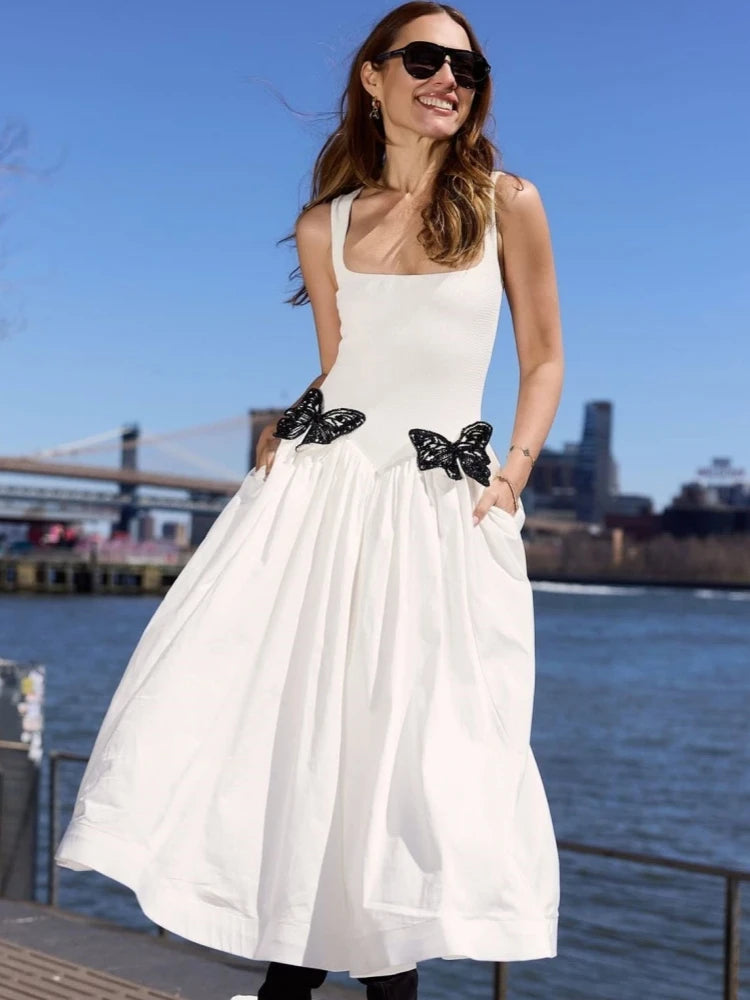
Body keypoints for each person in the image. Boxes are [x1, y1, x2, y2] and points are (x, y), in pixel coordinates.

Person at [55, 2, 564, 998]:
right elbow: (342, 370)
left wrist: (513, 477)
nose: (448, 77)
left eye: (466, 64)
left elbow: (543, 357)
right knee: (307, 747)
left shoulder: (511, 202)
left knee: (415, 757)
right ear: (374, 77)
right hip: (317, 505)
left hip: (436, 511)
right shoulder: (321, 224)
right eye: (425, 57)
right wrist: (287, 422)